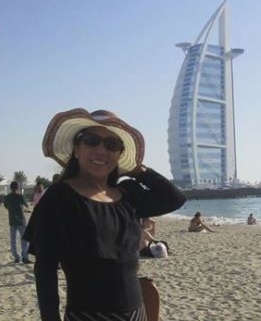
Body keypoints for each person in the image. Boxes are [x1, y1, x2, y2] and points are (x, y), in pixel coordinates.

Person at [23, 108, 186, 321]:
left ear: (119, 154)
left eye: (112, 145)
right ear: (76, 149)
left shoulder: (128, 195)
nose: (101, 150)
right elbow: (45, 270)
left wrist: (138, 170)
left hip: (138, 313)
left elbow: (174, 198)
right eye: (92, 140)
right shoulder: (60, 197)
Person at [3, 181, 31, 264]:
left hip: (12, 220)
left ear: (10, 188)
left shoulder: (7, 197)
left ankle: (16, 257)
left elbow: (6, 206)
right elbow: (26, 205)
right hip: (21, 221)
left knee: (13, 240)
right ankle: (25, 257)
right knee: (24, 240)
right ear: (18, 188)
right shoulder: (20, 196)